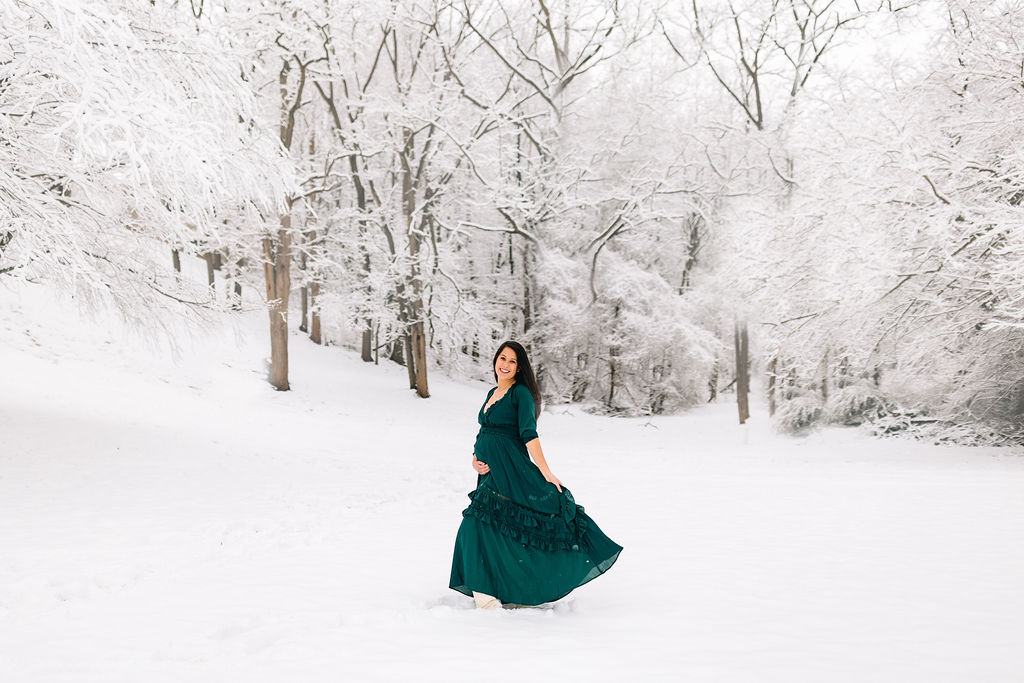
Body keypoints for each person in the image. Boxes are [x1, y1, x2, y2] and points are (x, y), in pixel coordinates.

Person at [449, 341, 622, 609]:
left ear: (519, 368)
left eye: (512, 361)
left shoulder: (521, 395)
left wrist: (546, 472)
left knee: (485, 525)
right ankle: (491, 589)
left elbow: (529, 435)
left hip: (513, 470)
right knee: (485, 526)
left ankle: (497, 591)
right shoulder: (492, 393)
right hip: (490, 473)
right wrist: (475, 457)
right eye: (502, 358)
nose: (505, 365)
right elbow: (484, 430)